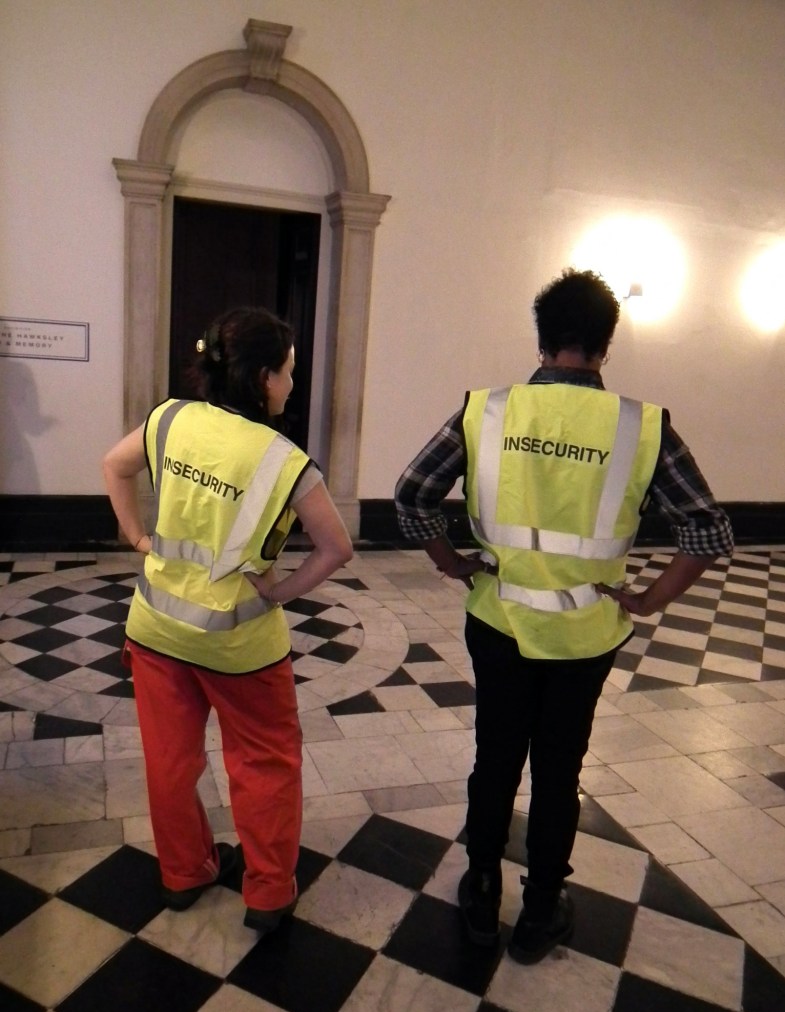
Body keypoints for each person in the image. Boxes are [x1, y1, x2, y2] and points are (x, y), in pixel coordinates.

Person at [394, 269, 733, 964]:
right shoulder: (643, 427)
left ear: (541, 338)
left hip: (499, 620)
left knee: (494, 758)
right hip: (586, 632)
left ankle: (481, 891)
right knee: (558, 768)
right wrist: (646, 599)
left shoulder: (485, 410)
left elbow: (410, 496)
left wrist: (450, 562)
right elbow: (707, 532)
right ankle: (541, 907)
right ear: (604, 348)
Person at [103, 306, 353, 937]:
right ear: (262, 376)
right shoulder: (282, 459)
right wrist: (279, 593)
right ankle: (267, 893)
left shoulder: (169, 418)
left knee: (169, 759)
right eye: (289, 372)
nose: (292, 385)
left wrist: (137, 536)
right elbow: (336, 547)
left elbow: (114, 464)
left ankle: (184, 874)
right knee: (264, 763)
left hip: (157, 628)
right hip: (241, 644)